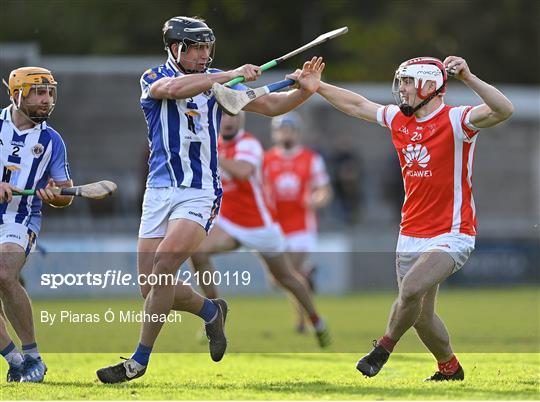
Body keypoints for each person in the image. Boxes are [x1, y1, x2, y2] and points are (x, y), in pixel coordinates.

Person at [96, 16, 324, 384]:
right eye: (197, 48)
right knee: (150, 287)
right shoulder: (155, 78)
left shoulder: (221, 83)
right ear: (176, 48)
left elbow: (270, 105)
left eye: (207, 48)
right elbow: (172, 89)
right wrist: (229, 73)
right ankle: (210, 311)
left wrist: (305, 90)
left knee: (164, 266)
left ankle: (138, 361)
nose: (204, 55)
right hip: (159, 192)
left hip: (199, 191)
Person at [316, 56, 513, 380]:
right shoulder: (398, 119)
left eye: (407, 82)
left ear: (428, 85)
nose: (401, 89)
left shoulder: (457, 120)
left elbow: (504, 110)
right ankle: (449, 368)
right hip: (411, 231)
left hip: (453, 231)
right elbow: (356, 105)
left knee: (410, 290)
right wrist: (317, 86)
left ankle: (383, 349)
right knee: (420, 315)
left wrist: (469, 76)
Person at [189, 112, 331, 347]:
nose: (229, 120)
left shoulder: (249, 144)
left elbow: (242, 172)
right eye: (224, 115)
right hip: (230, 223)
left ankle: (316, 321)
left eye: (234, 115)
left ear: (241, 119)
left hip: (261, 226)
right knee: (197, 251)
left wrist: (211, 154)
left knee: (285, 279)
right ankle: (214, 315)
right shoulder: (214, 143)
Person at [0, 67, 74, 382]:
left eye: (49, 93)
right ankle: (17, 361)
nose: (46, 101)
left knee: (3, 273)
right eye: (38, 93)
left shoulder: (52, 140)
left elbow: (65, 192)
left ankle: (32, 356)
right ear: (17, 94)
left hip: (20, 219)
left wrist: (54, 195)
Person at [263, 112, 332, 332]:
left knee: (288, 274)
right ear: (275, 133)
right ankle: (307, 275)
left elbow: (324, 189)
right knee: (280, 280)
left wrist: (315, 199)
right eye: (281, 129)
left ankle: (303, 322)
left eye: (289, 129)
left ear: (297, 132)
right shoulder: (266, 160)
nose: (285, 133)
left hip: (301, 227)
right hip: (276, 227)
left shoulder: (311, 159)